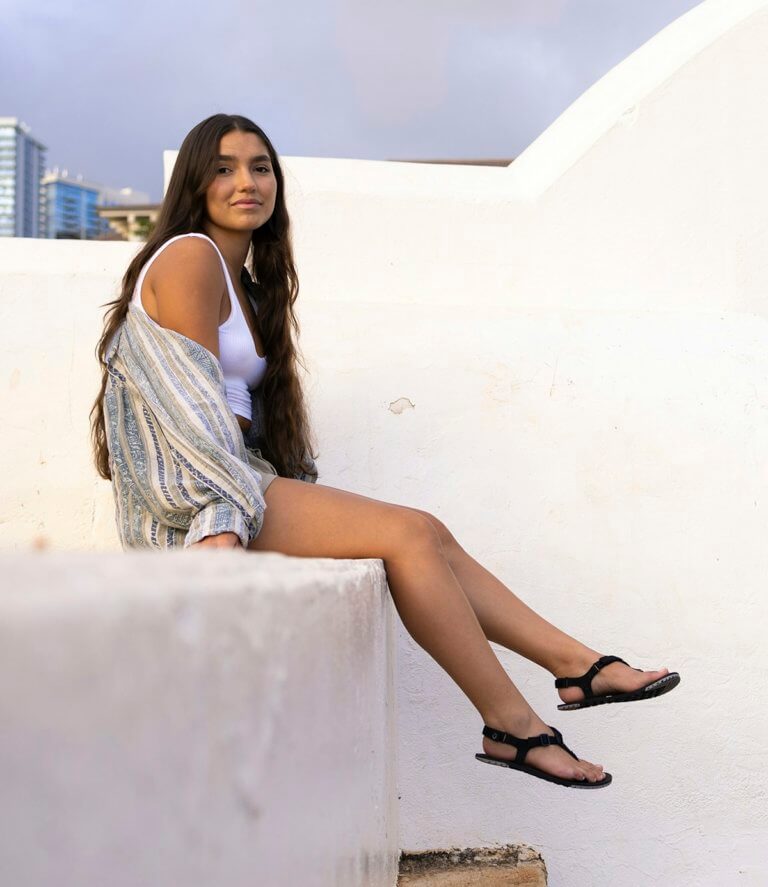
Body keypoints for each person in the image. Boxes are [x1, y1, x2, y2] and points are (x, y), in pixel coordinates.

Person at [90, 113, 679, 790]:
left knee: (426, 531)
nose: (246, 182)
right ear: (195, 182)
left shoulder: (248, 286)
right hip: (195, 496)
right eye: (223, 168)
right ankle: (517, 719)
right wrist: (220, 522)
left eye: (260, 167)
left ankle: (577, 666)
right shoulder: (190, 256)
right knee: (407, 535)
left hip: (234, 478)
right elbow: (188, 416)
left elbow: (240, 423)